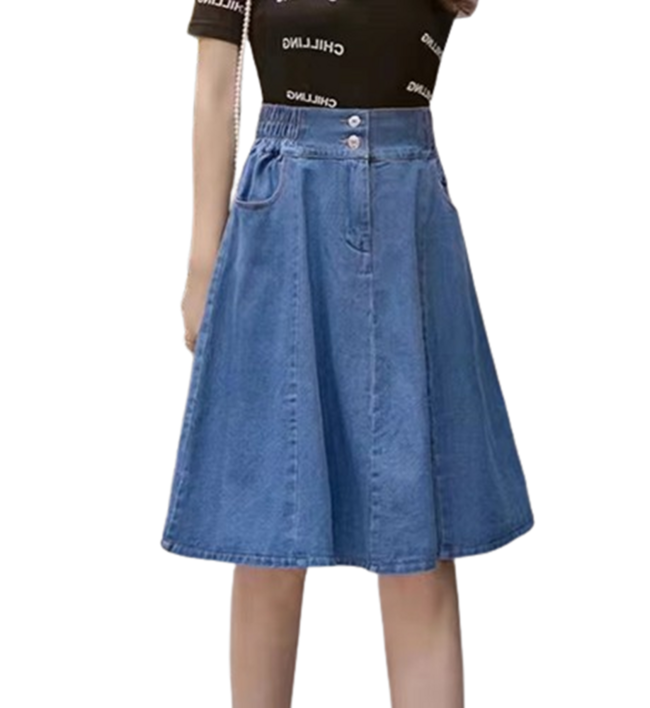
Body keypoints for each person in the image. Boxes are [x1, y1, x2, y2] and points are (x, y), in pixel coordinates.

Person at [161, 0, 534, 705]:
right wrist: (202, 264)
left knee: (416, 535)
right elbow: (214, 84)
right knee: (269, 525)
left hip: (406, 205)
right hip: (280, 212)